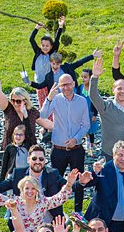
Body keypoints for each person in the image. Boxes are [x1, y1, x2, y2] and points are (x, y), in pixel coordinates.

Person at [37, 73, 90, 205]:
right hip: (58, 149)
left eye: (67, 84)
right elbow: (42, 115)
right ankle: (56, 209)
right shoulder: (55, 99)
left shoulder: (81, 101)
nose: (65, 87)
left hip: (76, 149)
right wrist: (48, 98)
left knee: (79, 181)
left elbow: (86, 125)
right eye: (62, 85)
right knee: (55, 181)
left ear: (73, 84)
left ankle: (78, 210)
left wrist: (75, 139)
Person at [0, 58, 41, 149]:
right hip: (9, 152)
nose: (15, 103)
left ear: (25, 101)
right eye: (13, 100)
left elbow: (47, 123)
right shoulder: (8, 109)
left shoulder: (32, 112)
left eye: (18, 101)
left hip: (28, 153)